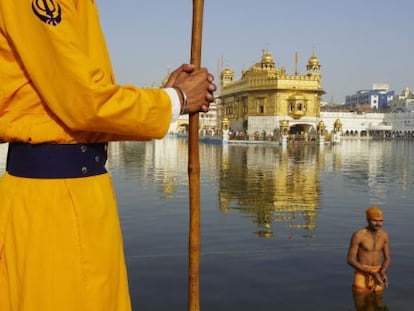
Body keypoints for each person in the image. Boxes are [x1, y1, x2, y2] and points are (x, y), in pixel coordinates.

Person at [0, 1, 216, 310]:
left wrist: (166, 100)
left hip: (80, 195)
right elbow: (84, 103)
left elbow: (84, 113)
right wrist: (176, 100)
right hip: (53, 206)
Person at [347, 206, 391, 295]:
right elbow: (350, 260)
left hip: (378, 273)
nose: (378, 223)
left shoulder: (384, 235)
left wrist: (382, 272)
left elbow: (387, 258)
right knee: (361, 304)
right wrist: (371, 273)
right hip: (362, 273)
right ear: (368, 220)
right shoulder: (359, 235)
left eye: (380, 221)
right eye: (375, 220)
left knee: (378, 304)